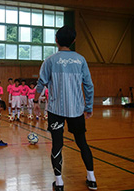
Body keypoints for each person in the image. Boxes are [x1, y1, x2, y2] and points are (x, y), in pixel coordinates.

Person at [34, 25, 97, 191]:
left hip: (55, 110)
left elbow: (41, 83)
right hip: (76, 110)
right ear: (74, 41)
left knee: (57, 145)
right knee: (82, 143)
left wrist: (35, 102)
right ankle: (92, 179)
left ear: (56, 40)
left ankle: (59, 182)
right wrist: (88, 106)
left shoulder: (50, 60)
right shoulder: (81, 60)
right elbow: (89, 85)